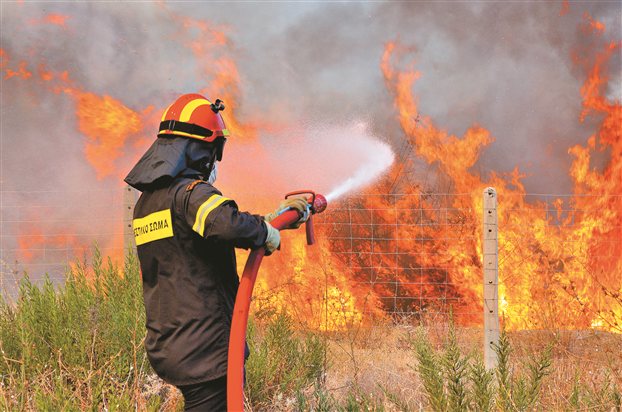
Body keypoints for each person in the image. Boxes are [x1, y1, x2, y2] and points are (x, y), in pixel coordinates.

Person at [124, 93, 308, 411]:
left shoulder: (149, 203)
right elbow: (227, 224)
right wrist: (266, 232)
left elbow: (202, 235)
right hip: (205, 350)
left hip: (171, 344)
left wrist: (267, 223)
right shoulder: (190, 194)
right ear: (201, 151)